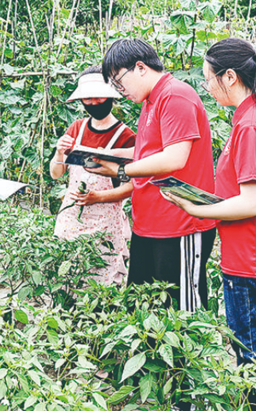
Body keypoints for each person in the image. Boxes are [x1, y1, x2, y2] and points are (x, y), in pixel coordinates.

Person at [163, 37, 256, 370]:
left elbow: (254, 202)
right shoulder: (254, 115)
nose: (207, 87)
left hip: (255, 255)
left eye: (208, 79)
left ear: (229, 77)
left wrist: (197, 209)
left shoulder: (252, 125)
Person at [88, 38, 217, 313]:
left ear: (140, 67)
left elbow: (174, 157)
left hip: (180, 223)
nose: (120, 90)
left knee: (182, 313)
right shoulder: (152, 101)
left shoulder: (175, 96)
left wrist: (120, 170)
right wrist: (106, 155)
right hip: (151, 223)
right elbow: (147, 152)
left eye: (119, 81)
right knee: (144, 310)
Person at [50, 65, 135, 286]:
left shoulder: (126, 137)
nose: (94, 103)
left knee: (100, 284)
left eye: (99, 97)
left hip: (105, 225)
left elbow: (131, 186)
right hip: (71, 218)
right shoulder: (76, 128)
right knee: (67, 279)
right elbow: (56, 173)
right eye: (87, 99)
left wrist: (97, 197)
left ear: (110, 97)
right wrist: (59, 152)